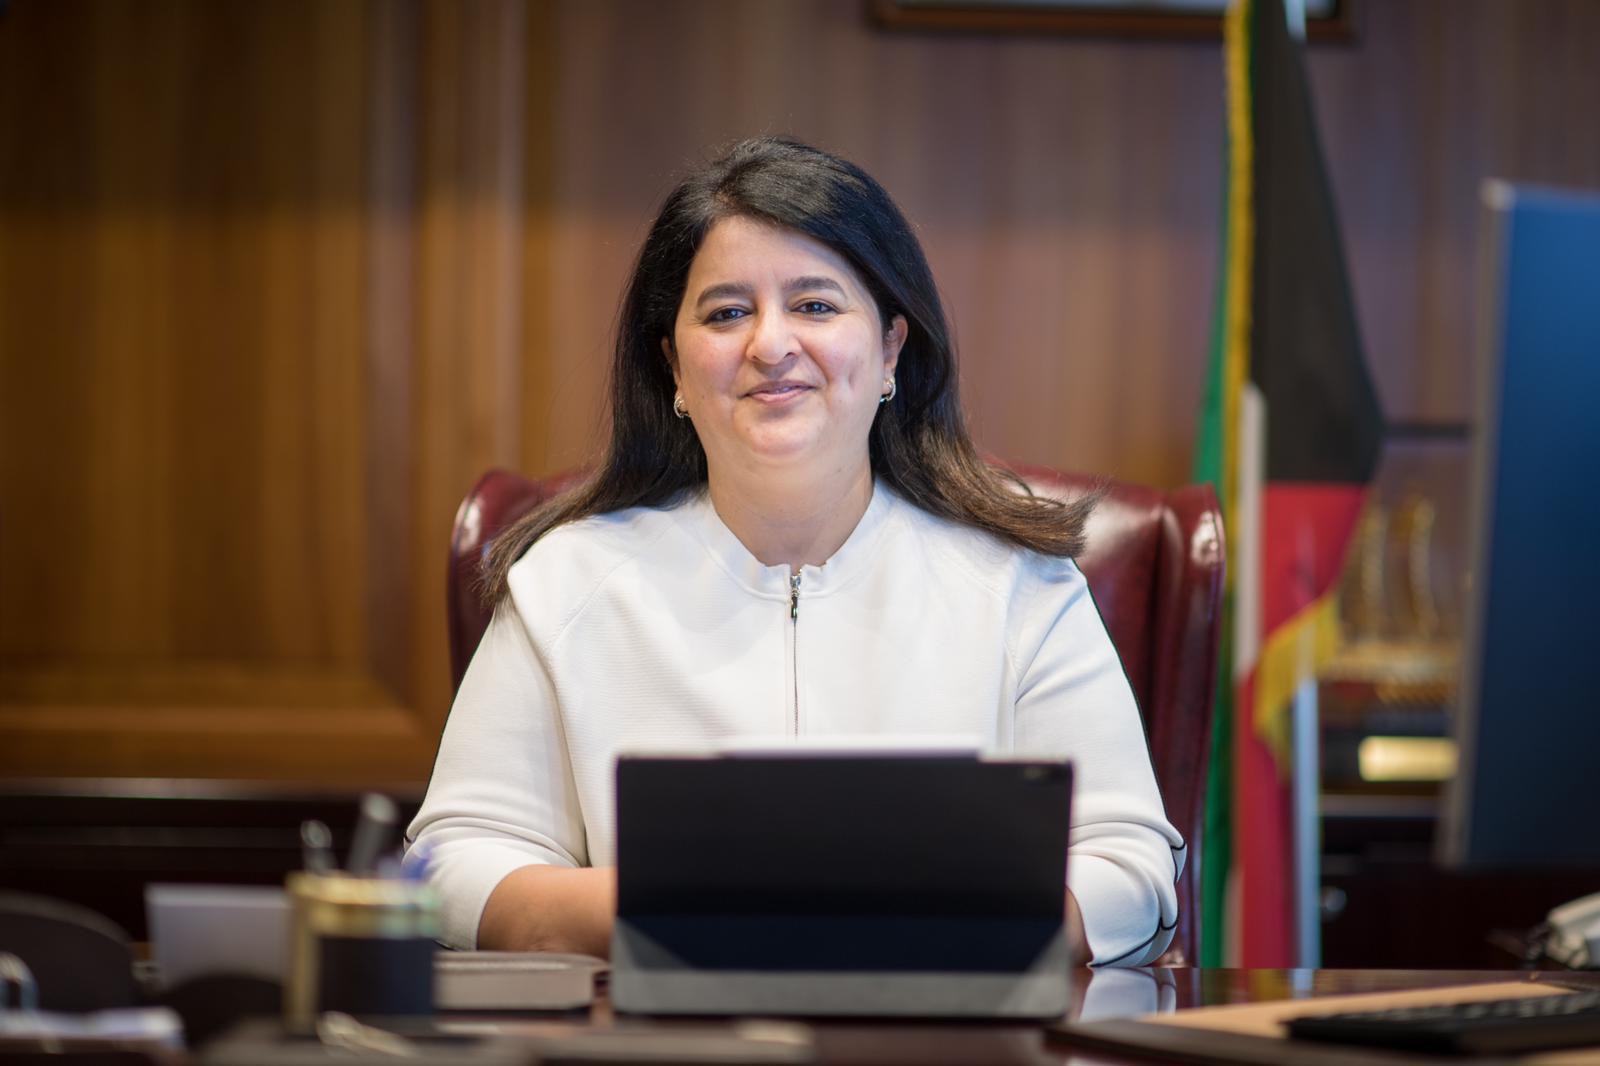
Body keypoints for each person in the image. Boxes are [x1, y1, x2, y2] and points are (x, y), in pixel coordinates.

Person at [407, 137, 1183, 967]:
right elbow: (452, 862)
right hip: (650, 1024)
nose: (771, 345)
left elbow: (1128, 865)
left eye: (814, 305)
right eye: (726, 313)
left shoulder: (1019, 583)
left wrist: (930, 922)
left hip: (952, 1026)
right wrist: (677, 912)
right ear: (673, 367)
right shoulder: (566, 583)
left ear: (890, 347)